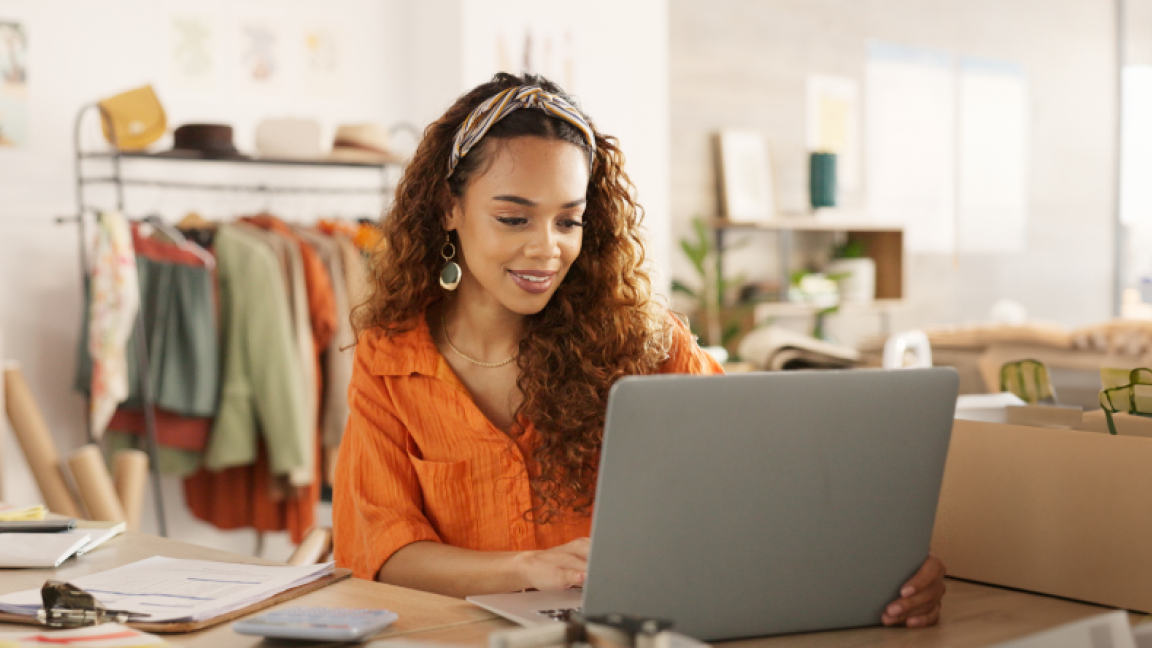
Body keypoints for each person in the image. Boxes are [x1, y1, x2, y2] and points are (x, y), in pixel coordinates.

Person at [333, 72, 946, 629]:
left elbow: (767, 481)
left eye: (568, 221)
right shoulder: (390, 360)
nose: (547, 249)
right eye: (513, 219)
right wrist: (525, 567)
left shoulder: (643, 345)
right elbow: (383, 550)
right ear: (449, 207)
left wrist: (885, 567)